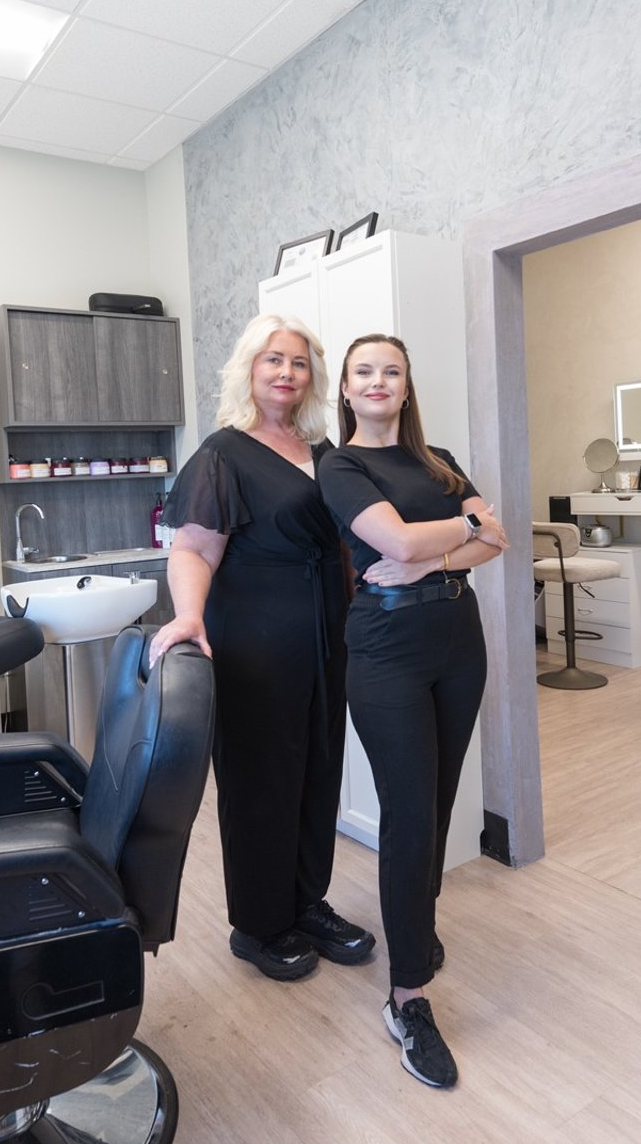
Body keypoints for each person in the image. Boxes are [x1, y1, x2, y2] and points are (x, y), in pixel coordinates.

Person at [148, 314, 374, 982]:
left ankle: (307, 901)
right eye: (272, 359)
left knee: (317, 771)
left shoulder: (327, 451)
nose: (285, 372)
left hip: (327, 637)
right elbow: (191, 548)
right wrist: (189, 615)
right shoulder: (224, 453)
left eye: (298, 362)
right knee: (260, 782)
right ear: (250, 369)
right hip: (254, 639)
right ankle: (258, 923)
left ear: (312, 377)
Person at [316, 333, 508, 1089]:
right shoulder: (342, 464)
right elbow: (393, 538)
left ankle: (416, 934)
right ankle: (408, 999)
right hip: (387, 646)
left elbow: (498, 539)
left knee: (437, 801)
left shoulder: (440, 459)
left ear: (406, 384)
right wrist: (458, 529)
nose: (377, 380)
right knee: (408, 813)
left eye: (390, 370)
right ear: (347, 386)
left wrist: (434, 550)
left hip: (459, 640)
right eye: (364, 370)